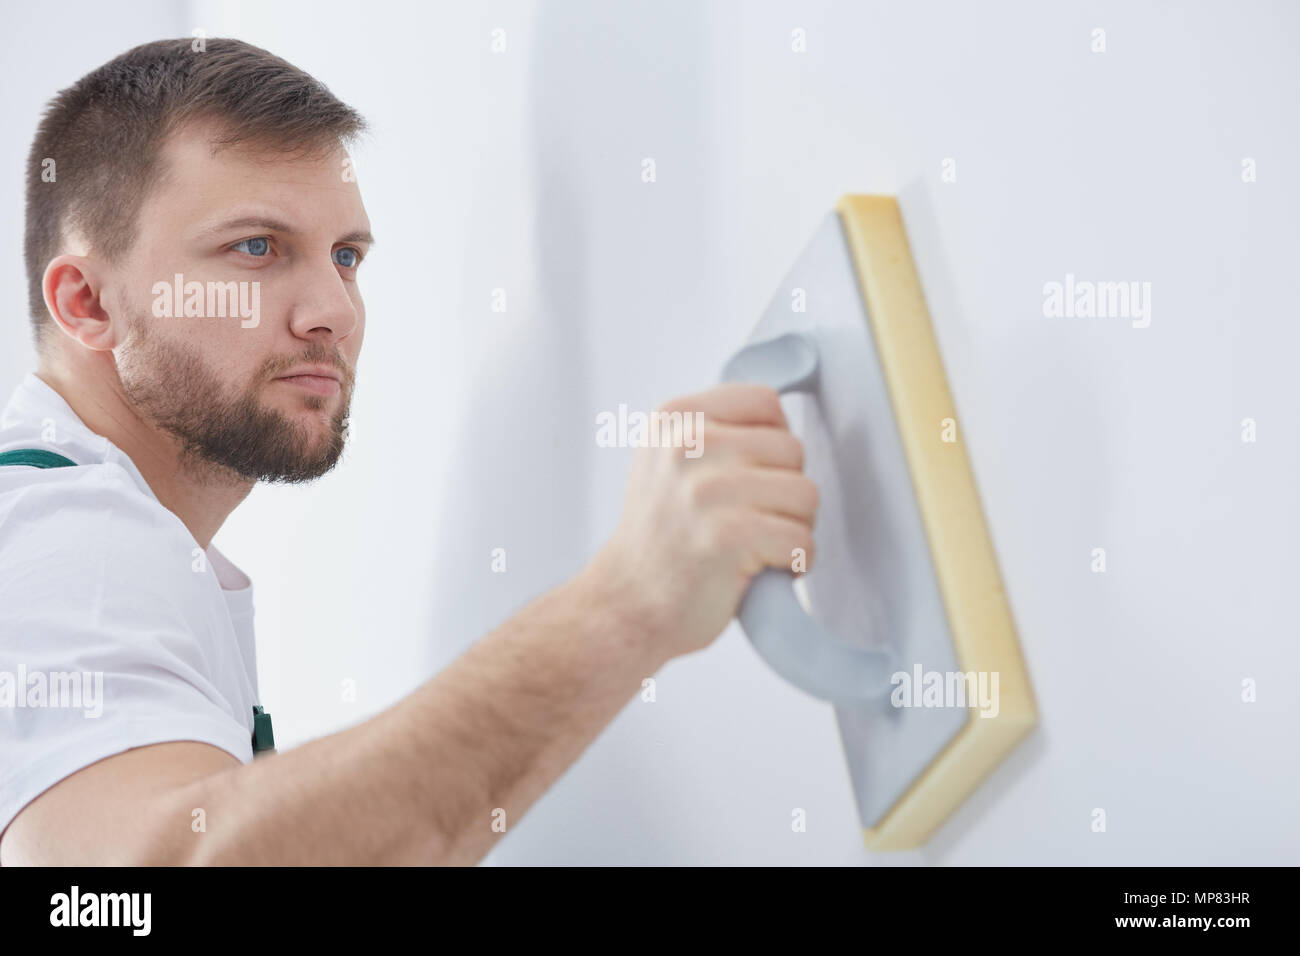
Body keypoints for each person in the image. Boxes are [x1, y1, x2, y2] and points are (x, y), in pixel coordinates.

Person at [0, 38, 817, 865]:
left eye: (346, 257)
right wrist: (630, 602)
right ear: (88, 302)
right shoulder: (65, 536)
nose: (334, 311)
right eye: (257, 248)